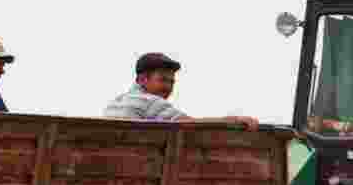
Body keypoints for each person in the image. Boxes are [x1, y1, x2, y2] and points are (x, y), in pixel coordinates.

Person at [103, 52, 259, 129]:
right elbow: (189, 124)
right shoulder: (148, 101)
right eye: (163, 80)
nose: (168, 88)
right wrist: (233, 120)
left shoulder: (116, 102)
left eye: (172, 82)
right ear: (142, 80)